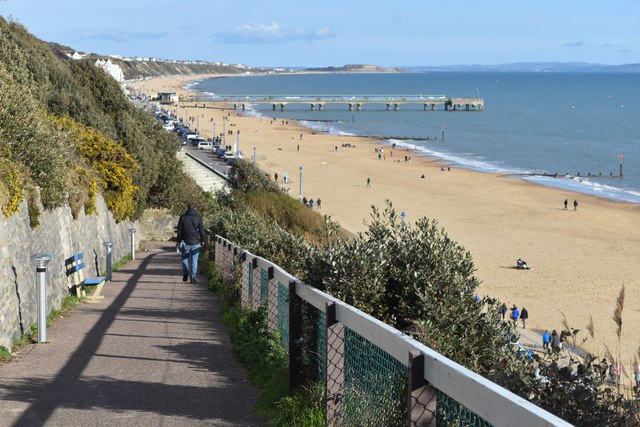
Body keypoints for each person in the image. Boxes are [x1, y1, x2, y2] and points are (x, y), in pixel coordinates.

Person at [176, 202, 206, 283]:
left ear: (188, 208)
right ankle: (193, 277)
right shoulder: (198, 218)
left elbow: (179, 231)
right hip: (195, 242)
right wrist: (203, 240)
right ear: (195, 208)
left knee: (185, 258)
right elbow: (201, 231)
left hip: (185, 241)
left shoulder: (182, 217)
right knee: (194, 260)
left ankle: (185, 272)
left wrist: (178, 241)